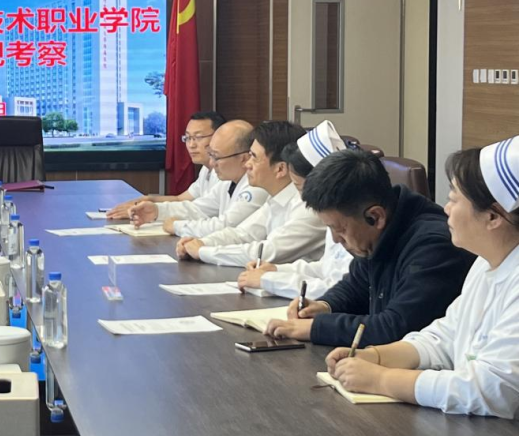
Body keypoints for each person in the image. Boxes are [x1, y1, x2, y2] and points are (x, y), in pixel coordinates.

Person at [326, 139, 519, 418]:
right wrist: (376, 356)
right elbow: (445, 337)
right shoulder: (485, 262)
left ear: (493, 216)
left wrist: (382, 379)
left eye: (454, 199)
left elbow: (493, 389)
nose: (446, 209)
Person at [265, 148, 473, 345]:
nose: (336, 239)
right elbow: (356, 286)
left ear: (375, 216)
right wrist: (324, 306)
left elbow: (396, 327)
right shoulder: (381, 230)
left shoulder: (434, 246)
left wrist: (315, 328)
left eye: (340, 229)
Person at [176, 120, 326, 266]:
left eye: (254, 157)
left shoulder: (307, 207)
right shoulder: (276, 197)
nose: (247, 164)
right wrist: (202, 242)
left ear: (280, 169)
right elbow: (243, 234)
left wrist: (203, 251)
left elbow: (266, 253)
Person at [236, 120, 352, 298]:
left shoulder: (348, 219)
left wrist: (269, 280)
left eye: (298, 186)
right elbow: (325, 268)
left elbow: (337, 288)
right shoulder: (333, 212)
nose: (300, 196)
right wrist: (275, 270)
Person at [128, 120, 267, 237]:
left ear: (244, 158)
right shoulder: (228, 181)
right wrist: (156, 210)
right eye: (211, 155)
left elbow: (225, 226)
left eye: (216, 157)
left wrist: (177, 226)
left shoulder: (257, 186)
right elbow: (198, 209)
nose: (211, 163)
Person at [106, 111, 225, 220]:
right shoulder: (206, 169)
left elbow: (198, 210)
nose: (191, 145)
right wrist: (148, 200)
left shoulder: (225, 173)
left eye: (198, 137)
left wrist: (153, 210)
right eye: (188, 138)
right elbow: (180, 199)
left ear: (218, 137)